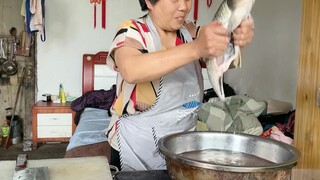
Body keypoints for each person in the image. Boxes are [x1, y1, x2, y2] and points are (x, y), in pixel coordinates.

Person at [106, 0, 254, 171]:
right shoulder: (132, 31)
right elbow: (131, 70)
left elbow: (224, 62)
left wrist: (235, 42)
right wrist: (196, 49)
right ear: (149, 2)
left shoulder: (191, 32)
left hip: (183, 145)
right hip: (135, 147)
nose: (184, 6)